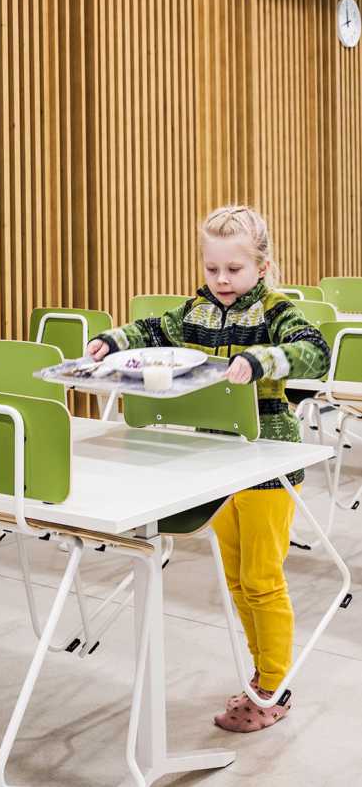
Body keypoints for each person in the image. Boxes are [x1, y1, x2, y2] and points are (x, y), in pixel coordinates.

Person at [87, 205, 331, 732]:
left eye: (234, 270)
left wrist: (264, 360)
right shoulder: (194, 311)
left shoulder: (275, 309)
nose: (222, 279)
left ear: (261, 267)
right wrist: (113, 341)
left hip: (270, 463)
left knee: (262, 579)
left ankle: (273, 685)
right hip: (215, 464)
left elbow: (316, 352)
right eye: (212, 268)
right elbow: (153, 329)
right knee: (236, 579)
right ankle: (257, 674)